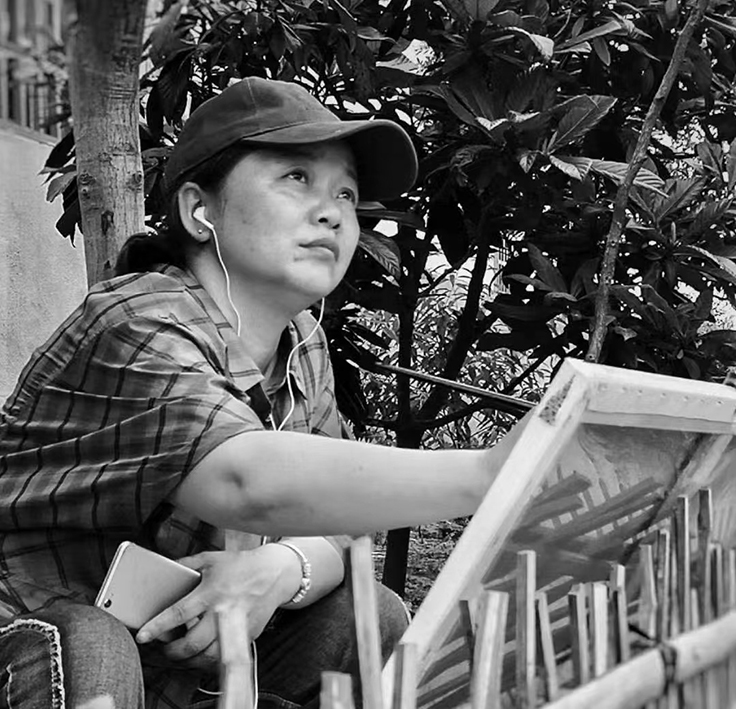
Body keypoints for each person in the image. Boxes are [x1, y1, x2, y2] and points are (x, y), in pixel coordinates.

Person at [0, 77, 519, 708]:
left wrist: (281, 570)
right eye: (297, 178)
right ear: (200, 210)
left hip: (177, 667)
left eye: (346, 193)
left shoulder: (303, 347)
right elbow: (245, 481)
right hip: (34, 651)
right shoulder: (136, 320)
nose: (333, 212)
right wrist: (496, 473)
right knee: (89, 642)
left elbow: (345, 531)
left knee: (367, 613)